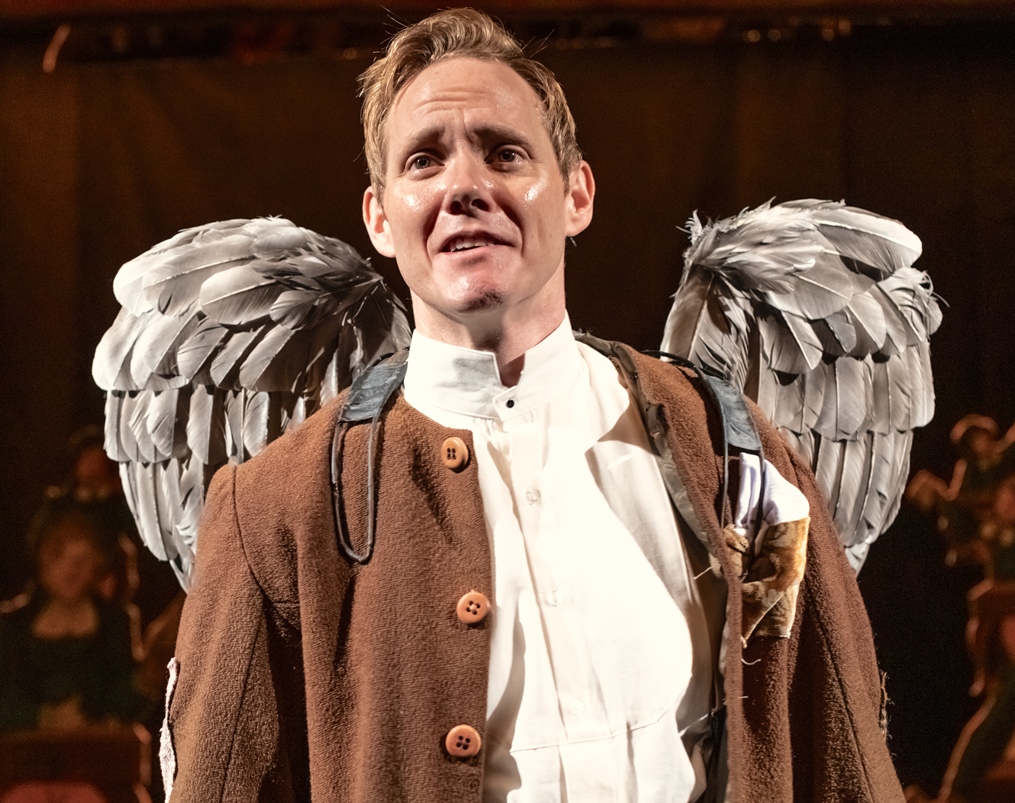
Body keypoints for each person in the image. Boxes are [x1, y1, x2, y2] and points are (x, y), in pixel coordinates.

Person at [163, 9, 903, 801]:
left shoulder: (736, 452)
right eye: (423, 161)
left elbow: (840, 744)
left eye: (504, 152)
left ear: (576, 193)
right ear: (381, 218)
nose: (463, 187)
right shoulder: (278, 505)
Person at [0, 499, 142, 732]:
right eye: (59, 554)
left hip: (97, 757)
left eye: (83, 559)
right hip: (24, 760)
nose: (70, 569)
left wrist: (146, 680)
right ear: (40, 557)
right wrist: (42, 717)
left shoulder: (115, 623)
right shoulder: (10, 626)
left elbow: (127, 704)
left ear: (99, 563)